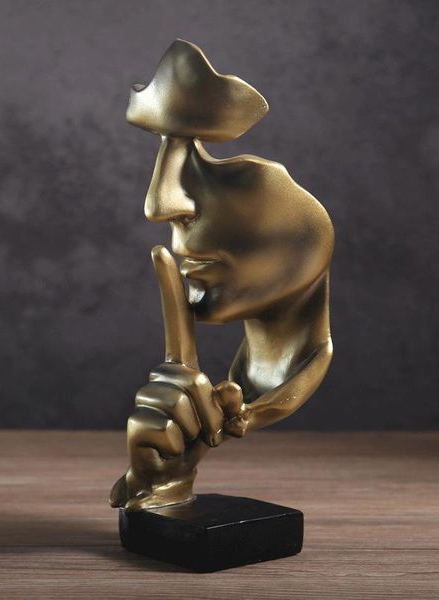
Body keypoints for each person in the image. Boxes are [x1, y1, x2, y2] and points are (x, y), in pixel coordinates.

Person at [111, 40, 334, 511]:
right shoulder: (238, 398)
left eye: (230, 173)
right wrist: (167, 475)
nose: (159, 206)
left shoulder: (269, 385)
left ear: (311, 231)